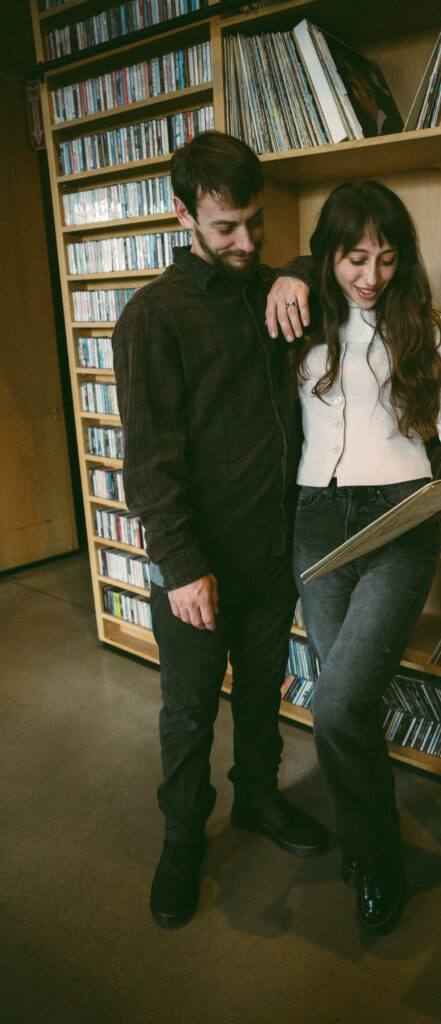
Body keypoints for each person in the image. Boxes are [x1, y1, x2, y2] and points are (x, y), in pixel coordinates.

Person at [287, 180, 441, 934]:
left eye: (387, 258)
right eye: (354, 258)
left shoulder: (427, 329)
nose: (371, 275)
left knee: (337, 703)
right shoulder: (299, 321)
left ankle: (374, 859)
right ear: (328, 255)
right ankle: (369, 843)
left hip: (400, 519)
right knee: (351, 706)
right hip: (315, 523)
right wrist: (286, 279)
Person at [112, 131, 325, 931]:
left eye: (255, 222)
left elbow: (344, 264)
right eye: (225, 227)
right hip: (195, 568)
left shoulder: (276, 289)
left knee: (264, 696)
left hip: (272, 555)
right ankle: (180, 839)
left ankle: (258, 800)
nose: (245, 241)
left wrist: (299, 268)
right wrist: (179, 566)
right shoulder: (152, 317)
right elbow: (147, 463)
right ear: (183, 216)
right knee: (189, 711)